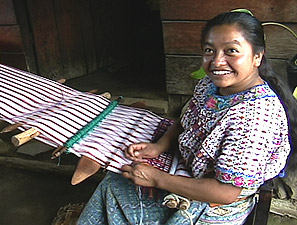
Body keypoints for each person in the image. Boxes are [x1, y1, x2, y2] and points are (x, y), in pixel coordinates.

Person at [77, 10, 297, 225]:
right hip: (187, 174)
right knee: (114, 184)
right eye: (209, 50)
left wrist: (157, 178)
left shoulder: (255, 117)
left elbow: (227, 192)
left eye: (231, 51)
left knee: (121, 187)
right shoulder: (210, 86)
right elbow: (188, 120)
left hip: (214, 209)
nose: (217, 62)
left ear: (257, 56)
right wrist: (160, 146)